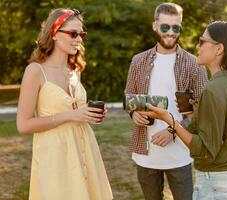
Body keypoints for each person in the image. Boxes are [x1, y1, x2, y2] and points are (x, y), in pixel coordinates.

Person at [142, 21, 227, 200]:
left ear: (219, 49)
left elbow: (205, 150)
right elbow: (225, 132)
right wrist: (194, 114)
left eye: (202, 41)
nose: (197, 46)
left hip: (220, 188)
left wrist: (168, 119)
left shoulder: (213, 90)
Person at [16, 8, 112, 200]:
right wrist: (72, 115)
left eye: (81, 34)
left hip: (85, 150)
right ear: (54, 33)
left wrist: (88, 114)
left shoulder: (75, 69)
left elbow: (76, 113)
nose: (79, 39)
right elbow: (23, 125)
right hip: (54, 156)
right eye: (73, 33)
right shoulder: (35, 71)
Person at [125, 2, 207, 200]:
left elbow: (204, 111)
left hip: (179, 154)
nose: (170, 32)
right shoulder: (138, 61)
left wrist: (173, 130)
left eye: (175, 27)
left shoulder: (195, 64)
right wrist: (134, 112)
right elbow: (129, 96)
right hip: (145, 153)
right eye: (165, 27)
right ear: (155, 26)